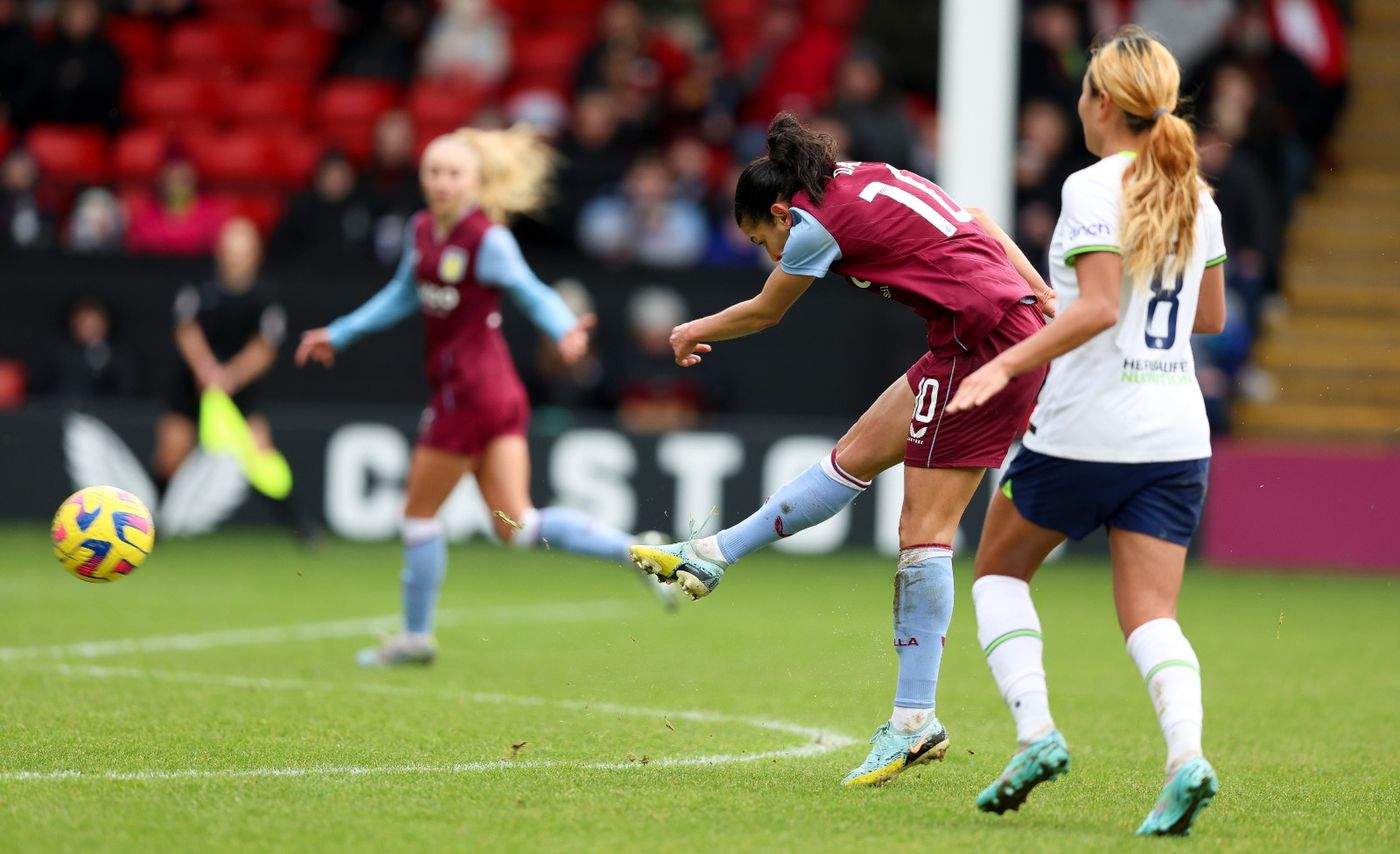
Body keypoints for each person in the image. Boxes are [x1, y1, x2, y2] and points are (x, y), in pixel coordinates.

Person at [628, 113, 1056, 787]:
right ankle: (712, 556)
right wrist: (1042, 293)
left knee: (924, 532)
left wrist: (691, 330)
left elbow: (768, 311)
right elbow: (973, 215)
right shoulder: (855, 178)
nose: (771, 251)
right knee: (853, 455)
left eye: (761, 237)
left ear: (777, 210)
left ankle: (915, 723)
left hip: (985, 345)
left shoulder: (810, 226)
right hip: (976, 332)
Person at [945, 27, 1227, 837]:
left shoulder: (1092, 186)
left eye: (1083, 92)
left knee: (998, 573)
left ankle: (1035, 732)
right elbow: (1205, 317)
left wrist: (1001, 369)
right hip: (1176, 435)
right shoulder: (1194, 192)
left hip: (1086, 429)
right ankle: (1186, 758)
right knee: (1151, 617)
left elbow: (1100, 309)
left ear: (1102, 101)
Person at [296, 126, 677, 668]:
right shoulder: (423, 229)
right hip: (496, 393)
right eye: (433, 172)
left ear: (475, 183)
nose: (442, 182)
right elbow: (402, 293)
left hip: (468, 395)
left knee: (418, 514)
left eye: (453, 173)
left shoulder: (486, 240)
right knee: (518, 526)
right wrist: (341, 332)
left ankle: (415, 636)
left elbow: (532, 290)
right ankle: (642, 552)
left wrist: (564, 328)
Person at [155, 217, 314, 541]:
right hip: (193, 387)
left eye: (242, 251)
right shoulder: (199, 292)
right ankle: (149, 525)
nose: (235, 257)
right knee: (171, 454)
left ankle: (299, 527)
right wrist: (206, 369)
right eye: (230, 250)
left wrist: (231, 375)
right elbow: (187, 332)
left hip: (239, 391)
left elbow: (264, 349)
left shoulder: (264, 299)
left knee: (261, 457)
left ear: (255, 255)